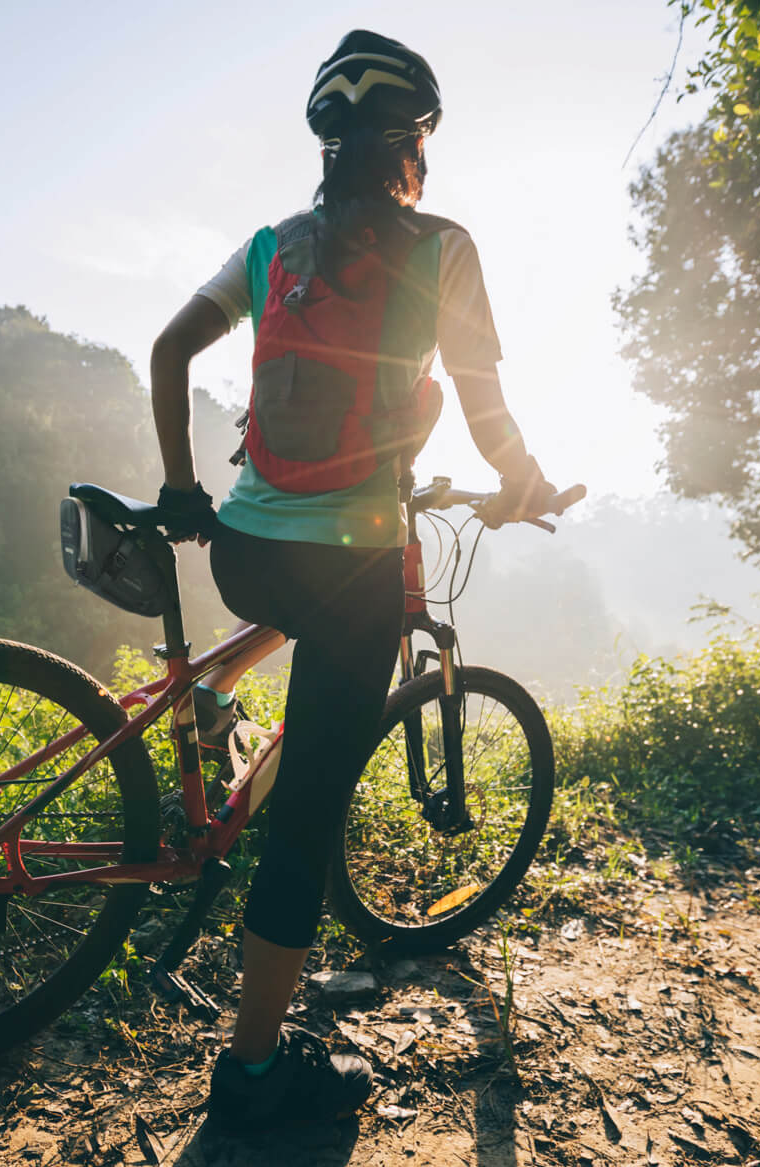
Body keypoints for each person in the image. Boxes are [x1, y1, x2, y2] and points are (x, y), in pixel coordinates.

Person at [148, 30, 555, 1131]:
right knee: (308, 811)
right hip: (359, 565)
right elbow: (482, 407)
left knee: (286, 618)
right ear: (412, 143)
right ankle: (251, 1074)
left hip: (242, 551)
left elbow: (167, 351)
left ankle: (223, 718)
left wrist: (185, 488)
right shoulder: (444, 248)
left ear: (326, 144)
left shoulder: (273, 244)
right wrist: (526, 483)